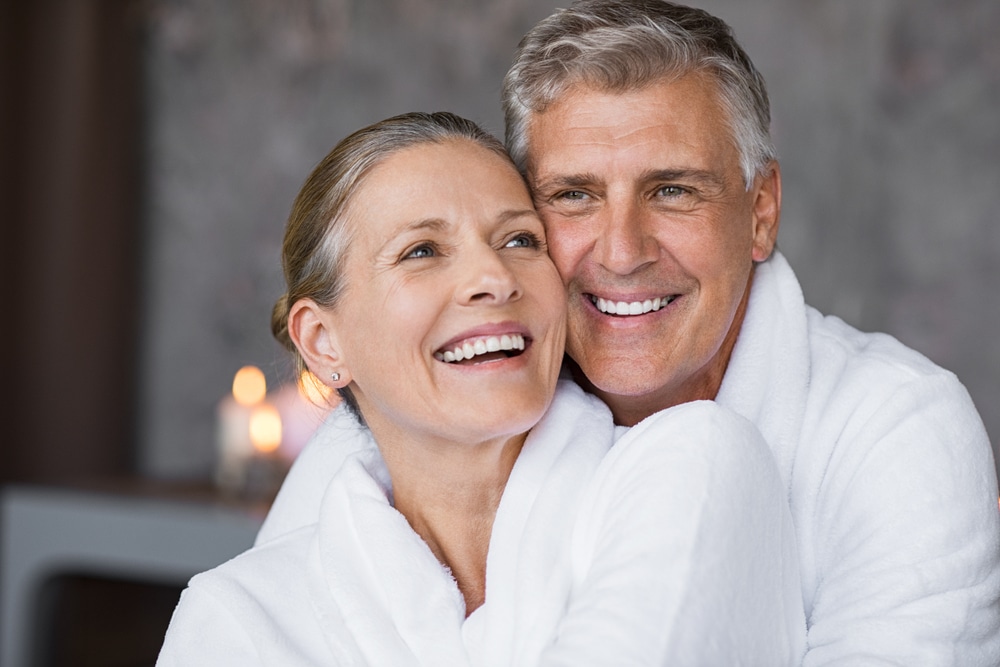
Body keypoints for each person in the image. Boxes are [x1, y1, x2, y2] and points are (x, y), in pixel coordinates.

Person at [259, 1, 1000, 663]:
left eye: (672, 190)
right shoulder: (408, 427)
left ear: (761, 210)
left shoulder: (898, 431)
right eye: (573, 196)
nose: (622, 250)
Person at [158, 111, 805, 665]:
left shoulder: (696, 467)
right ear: (325, 343)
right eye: (422, 251)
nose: (493, 276)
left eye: (520, 239)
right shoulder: (239, 618)